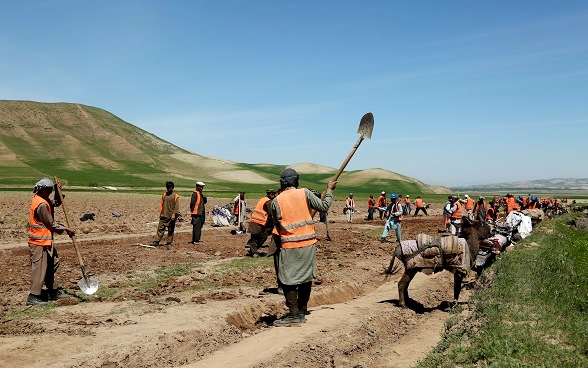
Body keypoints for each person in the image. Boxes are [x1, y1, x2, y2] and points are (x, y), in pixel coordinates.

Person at [271, 168, 336, 327]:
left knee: (287, 280)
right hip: (308, 243)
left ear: (282, 183)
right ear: (296, 181)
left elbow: (277, 224)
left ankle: (294, 314)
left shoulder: (276, 201)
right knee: (306, 277)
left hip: (290, 244)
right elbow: (325, 206)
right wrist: (329, 190)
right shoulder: (305, 193)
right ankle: (302, 310)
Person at [27, 178, 75, 305]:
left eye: (51, 190)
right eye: (48, 190)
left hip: (46, 242)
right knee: (39, 269)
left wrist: (57, 192)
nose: (49, 192)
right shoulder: (41, 204)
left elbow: (55, 203)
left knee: (52, 264)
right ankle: (33, 297)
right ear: (42, 190)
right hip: (39, 242)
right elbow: (51, 224)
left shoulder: (42, 198)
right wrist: (66, 229)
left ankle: (52, 291)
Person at [246, 189, 277, 257]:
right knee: (257, 237)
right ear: (270, 194)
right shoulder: (268, 201)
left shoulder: (263, 199)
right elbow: (270, 214)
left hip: (258, 222)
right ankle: (253, 252)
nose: (274, 196)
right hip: (258, 222)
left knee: (262, 237)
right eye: (273, 194)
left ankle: (253, 250)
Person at [151, 181, 180, 246]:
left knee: (170, 230)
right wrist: (161, 213)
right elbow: (162, 205)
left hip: (171, 216)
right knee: (160, 229)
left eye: (170, 187)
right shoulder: (164, 195)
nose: (168, 189)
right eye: (167, 187)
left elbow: (176, 207)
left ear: (172, 188)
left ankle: (169, 242)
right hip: (164, 215)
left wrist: (174, 214)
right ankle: (156, 241)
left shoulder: (176, 196)